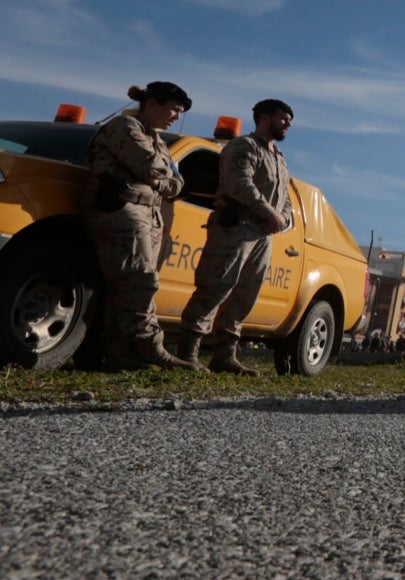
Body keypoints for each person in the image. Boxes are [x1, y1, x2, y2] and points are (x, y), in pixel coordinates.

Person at [173, 98, 295, 376]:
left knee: (245, 295)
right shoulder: (243, 147)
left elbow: (285, 197)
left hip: (263, 236)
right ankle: (187, 354)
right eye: (283, 118)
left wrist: (283, 217)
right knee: (215, 287)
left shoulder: (278, 157)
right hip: (235, 228)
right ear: (264, 118)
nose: (288, 124)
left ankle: (224, 356)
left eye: (289, 120)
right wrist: (267, 212)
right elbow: (238, 183)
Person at [83, 82, 193, 371]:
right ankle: (149, 347)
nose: (176, 117)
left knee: (130, 286)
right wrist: (166, 179)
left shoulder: (156, 139)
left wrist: (166, 180)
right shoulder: (125, 127)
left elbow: (175, 183)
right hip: (122, 209)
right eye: (173, 109)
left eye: (180, 112)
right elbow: (154, 170)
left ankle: (119, 353)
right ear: (152, 102)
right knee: (139, 280)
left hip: (148, 213)